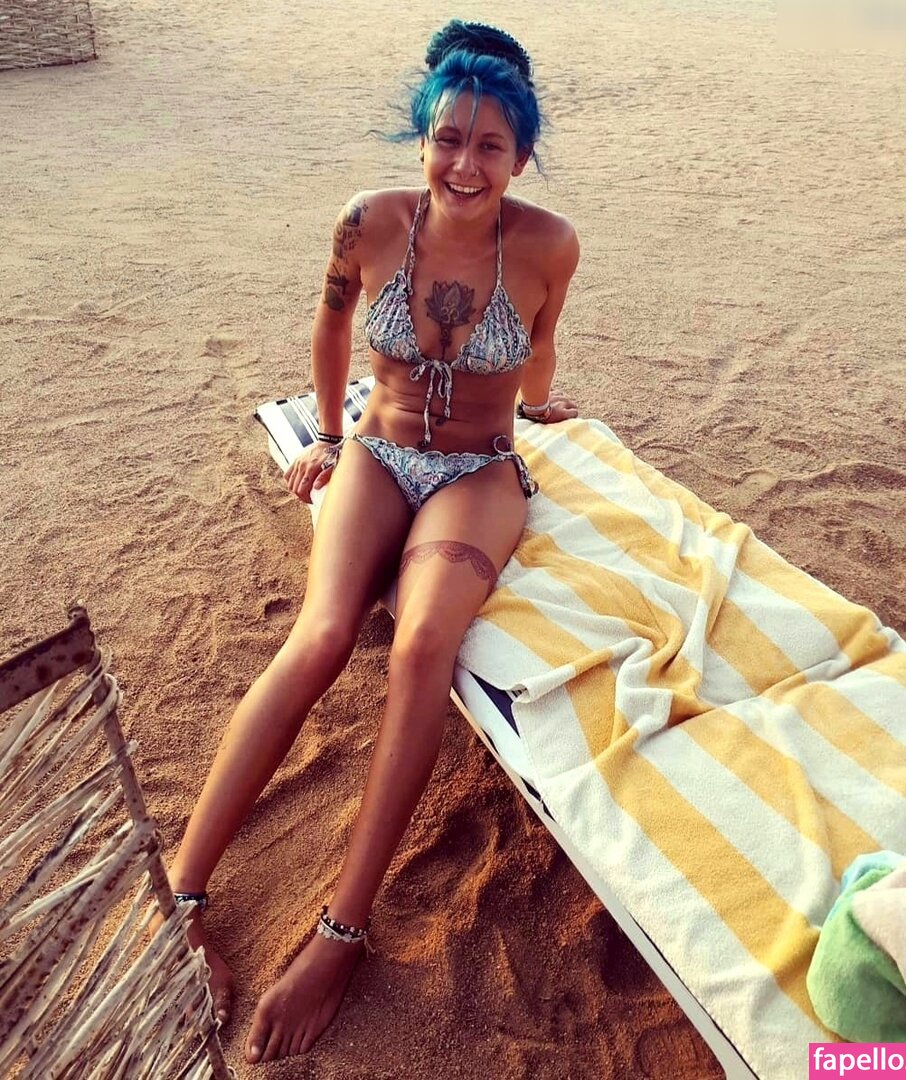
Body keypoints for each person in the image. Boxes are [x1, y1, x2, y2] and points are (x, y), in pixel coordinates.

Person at [164, 19, 580, 1064]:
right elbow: (331, 327)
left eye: (490, 146)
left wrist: (541, 407)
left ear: (520, 155)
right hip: (378, 453)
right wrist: (325, 435)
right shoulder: (367, 220)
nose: (465, 164)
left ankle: (342, 934)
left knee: (420, 647)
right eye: (448, 140)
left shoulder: (548, 243)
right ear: (421, 138)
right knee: (318, 637)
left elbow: (538, 348)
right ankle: (181, 894)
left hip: (476, 472)